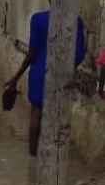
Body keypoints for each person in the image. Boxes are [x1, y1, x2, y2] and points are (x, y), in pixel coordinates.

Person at [5, 9, 90, 156]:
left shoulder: (38, 19)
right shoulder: (76, 21)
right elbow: (79, 54)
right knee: (57, 114)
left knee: (36, 112)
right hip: (63, 75)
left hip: (39, 72)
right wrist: (68, 70)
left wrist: (16, 77)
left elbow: (32, 53)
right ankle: (53, 155)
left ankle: (33, 157)